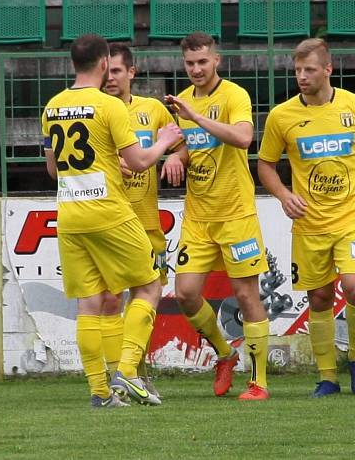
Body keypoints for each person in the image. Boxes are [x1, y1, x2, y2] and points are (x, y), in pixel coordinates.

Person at [42, 33, 182, 407]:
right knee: (149, 286)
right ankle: (128, 371)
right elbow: (138, 162)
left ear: (73, 64)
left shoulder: (52, 106)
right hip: (109, 212)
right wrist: (166, 140)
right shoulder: (109, 106)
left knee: (89, 303)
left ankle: (100, 392)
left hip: (69, 215)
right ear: (104, 63)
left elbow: (54, 170)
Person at [257, 38, 355, 397]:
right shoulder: (281, 116)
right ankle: (327, 376)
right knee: (318, 298)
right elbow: (265, 166)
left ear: (328, 70)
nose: (302, 76)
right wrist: (284, 195)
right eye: (298, 70)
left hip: (351, 219)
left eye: (310, 70)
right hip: (310, 225)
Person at [163, 32, 270, 401]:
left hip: (235, 214)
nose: (196, 69)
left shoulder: (234, 95)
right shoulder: (182, 102)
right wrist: (176, 156)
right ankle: (225, 354)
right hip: (198, 217)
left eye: (202, 62)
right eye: (190, 63)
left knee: (246, 295)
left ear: (217, 61)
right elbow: (187, 146)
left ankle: (258, 383)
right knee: (186, 293)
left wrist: (195, 116)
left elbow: (243, 138)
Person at [91, 42, 189, 400]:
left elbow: (180, 142)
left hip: (147, 223)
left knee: (145, 300)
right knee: (110, 301)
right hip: (111, 222)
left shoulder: (152, 110)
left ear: (132, 72)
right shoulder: (96, 111)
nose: (111, 77)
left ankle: (135, 372)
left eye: (117, 71)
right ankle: (118, 375)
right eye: (107, 71)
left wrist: (177, 157)